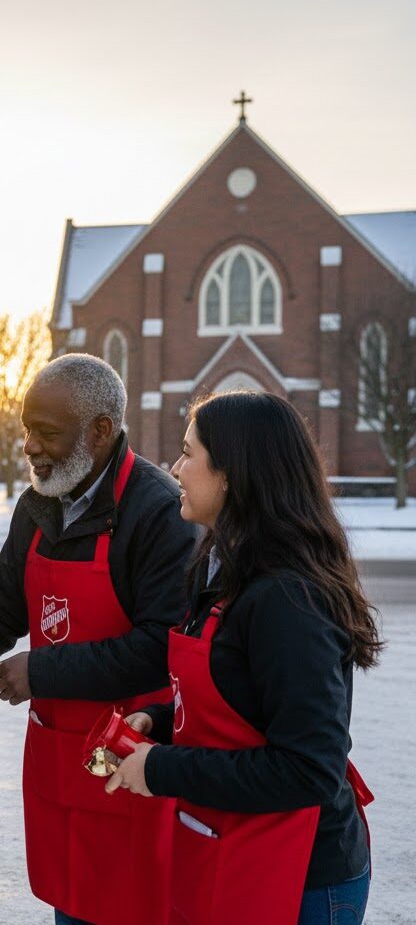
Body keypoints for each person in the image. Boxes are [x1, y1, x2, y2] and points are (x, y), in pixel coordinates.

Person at [0, 353, 197, 925]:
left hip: (131, 763)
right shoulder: (40, 503)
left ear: (100, 431)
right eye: (27, 430)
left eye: (47, 433)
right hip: (61, 761)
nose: (29, 446)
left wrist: (42, 671)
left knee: (133, 905)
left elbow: (162, 650)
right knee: (71, 903)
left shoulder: (158, 511)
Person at [107, 390, 380, 925]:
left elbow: (308, 769)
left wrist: (162, 768)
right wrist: (161, 722)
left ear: (232, 475)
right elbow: (239, 698)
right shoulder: (221, 566)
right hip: (232, 852)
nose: (174, 468)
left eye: (189, 453)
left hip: (301, 879)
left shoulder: (289, 598)